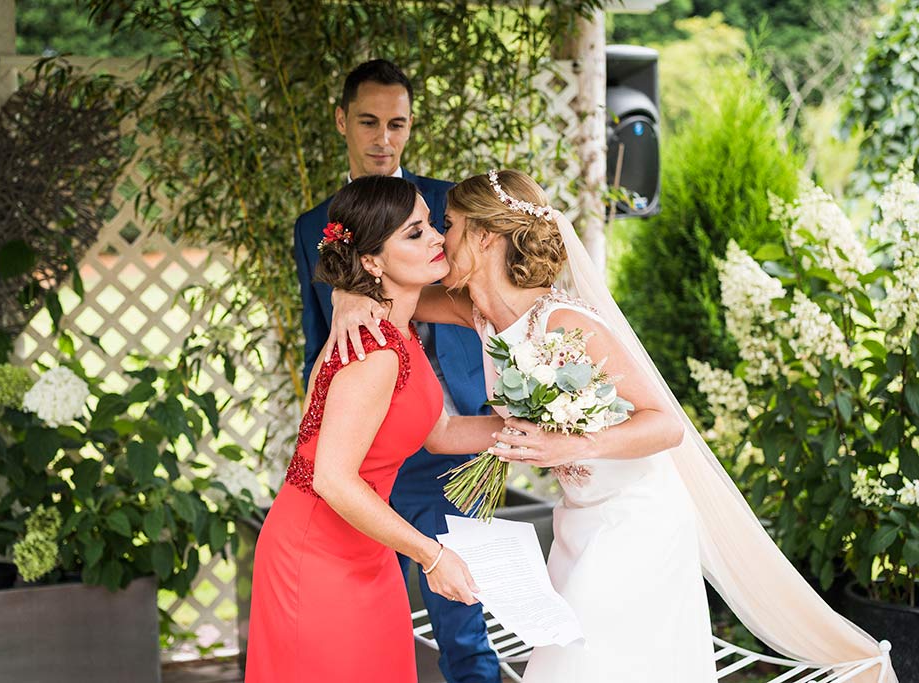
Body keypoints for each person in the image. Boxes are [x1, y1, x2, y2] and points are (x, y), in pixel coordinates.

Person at [326, 170, 899, 683]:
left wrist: (565, 441)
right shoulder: (480, 314)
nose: (439, 240)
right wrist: (346, 298)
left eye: (447, 225)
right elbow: (395, 292)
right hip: (578, 520)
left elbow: (666, 425)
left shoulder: (565, 322)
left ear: (484, 237)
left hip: (637, 520)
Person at [292, 59, 500, 683]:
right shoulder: (313, 227)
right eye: (369, 122)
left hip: (454, 431)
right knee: (362, 616)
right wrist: (348, 297)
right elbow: (319, 335)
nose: (384, 139)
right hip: (368, 447)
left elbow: (484, 297)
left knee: (462, 618)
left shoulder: (445, 204)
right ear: (341, 122)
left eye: (398, 124)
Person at [247, 176, 503, 683]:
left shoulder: (398, 330)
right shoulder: (373, 350)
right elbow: (332, 479)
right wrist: (432, 556)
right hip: (315, 553)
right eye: (414, 233)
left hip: (368, 547)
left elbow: (441, 433)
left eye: (431, 225)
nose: (436, 238)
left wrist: (526, 434)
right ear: (371, 262)